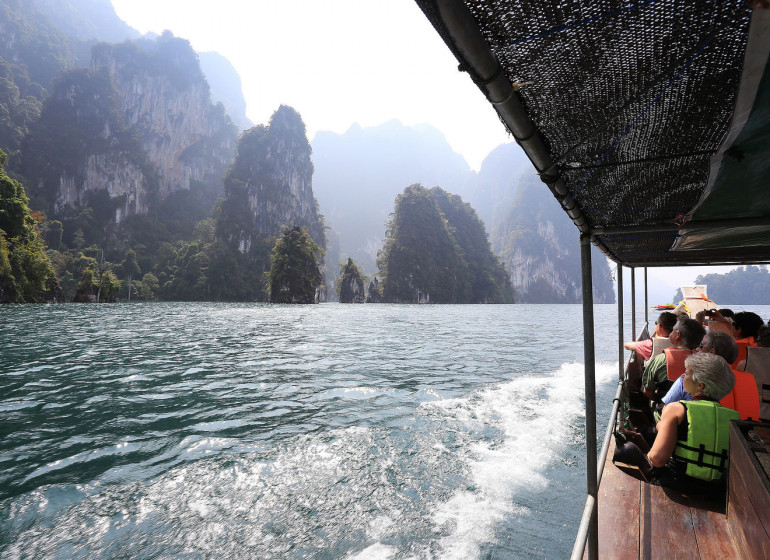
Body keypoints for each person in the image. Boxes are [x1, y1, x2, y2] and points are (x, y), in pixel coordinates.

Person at [615, 353, 739, 497]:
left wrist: (647, 455)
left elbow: (657, 459)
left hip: (677, 485)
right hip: (715, 492)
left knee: (625, 452)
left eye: (686, 373)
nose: (682, 377)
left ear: (700, 385)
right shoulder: (733, 418)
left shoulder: (676, 409)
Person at [661, 331, 738, 405]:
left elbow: (665, 405)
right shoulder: (748, 379)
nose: (696, 349)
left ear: (711, 353)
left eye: (701, 346)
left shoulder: (689, 378)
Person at [641, 317, 705, 400]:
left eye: (673, 330)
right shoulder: (705, 361)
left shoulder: (661, 359)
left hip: (666, 408)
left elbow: (648, 392)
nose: (671, 332)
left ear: (678, 335)